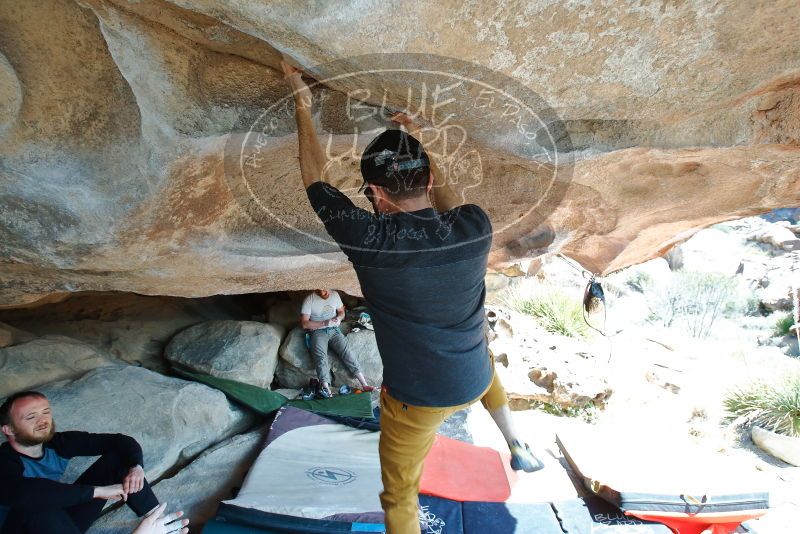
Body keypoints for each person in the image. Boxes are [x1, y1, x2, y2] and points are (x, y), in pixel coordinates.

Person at [281, 61, 544, 534]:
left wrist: (303, 101)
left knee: (399, 494)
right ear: (426, 181)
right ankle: (517, 443)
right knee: (483, 362)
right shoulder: (474, 227)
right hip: (474, 377)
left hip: (418, 400)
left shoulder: (370, 239)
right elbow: (452, 200)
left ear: (375, 192)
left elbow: (315, 181)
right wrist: (419, 139)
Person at [0, 391, 165, 534]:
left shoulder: (59, 443)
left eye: (46, 412)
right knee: (35, 505)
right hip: (18, 526)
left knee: (120, 460)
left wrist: (137, 466)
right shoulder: (4, 460)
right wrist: (97, 491)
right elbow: (28, 494)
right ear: (9, 429)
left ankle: (160, 524)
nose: (43, 420)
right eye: (31, 416)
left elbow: (120, 441)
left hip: (56, 523)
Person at [300, 288, 376, 397]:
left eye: (325, 290)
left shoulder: (335, 295)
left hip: (334, 329)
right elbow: (304, 324)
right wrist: (324, 323)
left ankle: (364, 384)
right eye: (320, 291)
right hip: (317, 331)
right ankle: (326, 389)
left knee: (346, 352)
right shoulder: (310, 299)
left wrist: (339, 318)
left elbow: (341, 312)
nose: (323, 293)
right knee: (321, 356)